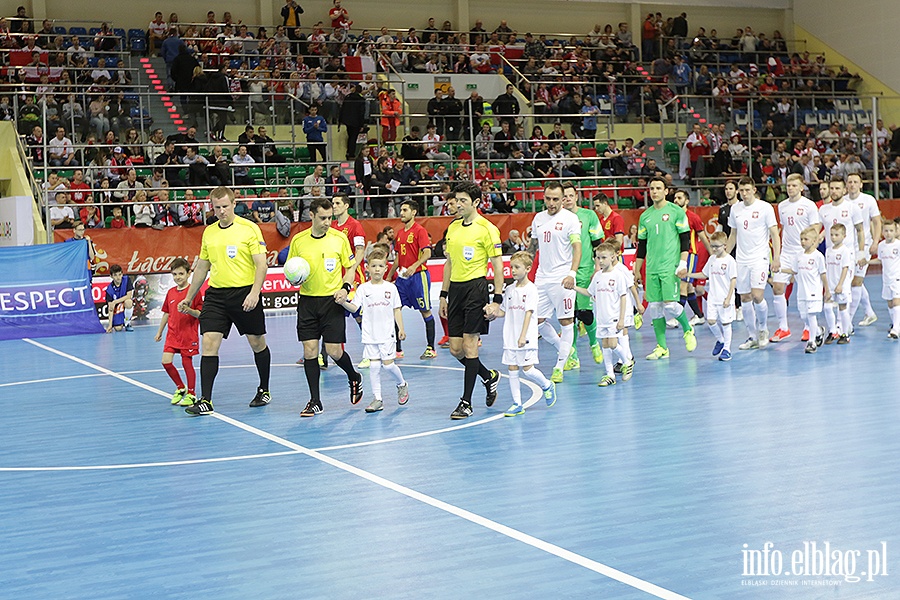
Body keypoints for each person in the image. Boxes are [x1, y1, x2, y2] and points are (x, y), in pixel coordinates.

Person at [177, 187, 272, 416]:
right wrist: (189, 297)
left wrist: (254, 293)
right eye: (217, 207)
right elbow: (202, 266)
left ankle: (264, 389)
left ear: (234, 203)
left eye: (225, 206)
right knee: (209, 343)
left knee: (257, 343)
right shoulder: (209, 232)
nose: (221, 211)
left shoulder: (249, 229)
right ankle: (206, 400)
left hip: (245, 294)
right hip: (217, 295)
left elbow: (261, 264)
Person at [287, 196, 363, 417]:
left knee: (334, 351)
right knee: (310, 351)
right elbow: (291, 269)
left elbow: (350, 267)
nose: (328, 222)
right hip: (307, 301)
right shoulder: (298, 240)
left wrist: (345, 287)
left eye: (330, 217)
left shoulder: (339, 239)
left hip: (332, 301)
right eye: (323, 218)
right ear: (311, 216)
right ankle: (315, 401)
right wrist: (293, 279)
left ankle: (353, 376)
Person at [439, 181, 503, 420]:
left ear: (476, 202)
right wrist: (444, 295)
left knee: (469, 345)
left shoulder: (487, 228)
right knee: (456, 350)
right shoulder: (453, 228)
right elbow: (449, 263)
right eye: (456, 200)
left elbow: (497, 265)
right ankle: (488, 376)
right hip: (455, 290)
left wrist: (496, 300)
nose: (458, 204)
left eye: (463, 200)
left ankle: (466, 402)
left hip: (476, 289)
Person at [633, 177, 698, 360]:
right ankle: (662, 347)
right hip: (651, 267)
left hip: (670, 266)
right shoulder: (645, 216)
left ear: (666, 191)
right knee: (654, 307)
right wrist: (637, 270)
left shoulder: (676, 212)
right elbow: (642, 246)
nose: (654, 191)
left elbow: (685, 239)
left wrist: (683, 263)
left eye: (658, 188)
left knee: (670, 304)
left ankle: (687, 329)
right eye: (652, 188)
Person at [339, 249, 408, 413]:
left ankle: (402, 384)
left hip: (387, 334)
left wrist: (402, 329)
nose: (377, 269)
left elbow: (396, 309)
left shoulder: (391, 288)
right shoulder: (363, 289)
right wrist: (343, 302)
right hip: (370, 335)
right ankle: (378, 399)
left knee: (388, 366)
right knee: (374, 367)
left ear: (386, 268)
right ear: (367, 268)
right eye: (374, 266)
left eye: (381, 266)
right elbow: (355, 307)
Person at [530, 182, 582, 383]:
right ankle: (565, 350)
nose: (551, 203)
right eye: (547, 198)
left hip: (563, 279)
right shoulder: (538, 219)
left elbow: (577, 248)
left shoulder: (571, 219)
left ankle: (559, 366)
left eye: (555, 199)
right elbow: (534, 246)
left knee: (566, 321)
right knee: (537, 321)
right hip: (542, 278)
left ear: (563, 199)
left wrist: (572, 273)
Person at [497, 251, 556, 417]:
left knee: (528, 369)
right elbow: (503, 312)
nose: (513, 271)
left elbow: (529, 313)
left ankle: (546, 385)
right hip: (510, 336)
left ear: (528, 268)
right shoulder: (509, 290)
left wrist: (523, 336)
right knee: (512, 368)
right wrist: (491, 312)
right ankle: (517, 403)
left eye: (517, 267)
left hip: (525, 337)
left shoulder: (531, 290)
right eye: (511, 267)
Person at [726, 177, 781, 350]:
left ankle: (763, 328)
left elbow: (774, 233)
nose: (744, 194)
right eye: (741, 191)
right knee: (745, 298)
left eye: (747, 190)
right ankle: (752, 336)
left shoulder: (765, 208)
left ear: (754, 190)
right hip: (741, 259)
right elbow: (733, 235)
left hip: (760, 258)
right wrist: (724, 256)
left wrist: (776, 257)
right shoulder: (735, 209)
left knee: (757, 296)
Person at [770, 173, 822, 342]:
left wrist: (809, 250)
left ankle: (808, 327)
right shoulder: (782, 206)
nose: (790, 188)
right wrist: (777, 255)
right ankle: (783, 328)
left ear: (801, 187)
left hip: (802, 252)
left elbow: (815, 227)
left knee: (804, 291)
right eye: (788, 185)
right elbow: (783, 228)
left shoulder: (809, 205)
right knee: (777, 287)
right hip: (786, 252)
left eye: (794, 185)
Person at [574, 243, 631, 387]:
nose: (600, 260)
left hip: (614, 317)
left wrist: (622, 319)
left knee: (612, 344)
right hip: (602, 317)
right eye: (598, 257)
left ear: (613, 257)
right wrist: (574, 287)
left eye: (603, 257)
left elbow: (623, 297)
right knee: (605, 345)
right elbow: (589, 292)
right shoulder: (597, 276)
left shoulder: (618, 275)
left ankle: (627, 361)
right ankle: (609, 374)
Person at [560, 183, 603, 372]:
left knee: (585, 312)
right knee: (569, 315)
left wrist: (598, 266)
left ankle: (594, 344)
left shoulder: (588, 216)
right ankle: (573, 356)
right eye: (564, 196)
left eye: (570, 195)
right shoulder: (557, 219)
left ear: (576, 196)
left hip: (585, 269)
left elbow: (597, 243)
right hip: (564, 270)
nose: (567, 199)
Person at [388, 200, 437, 359]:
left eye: (405, 210)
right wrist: (389, 276)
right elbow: (397, 258)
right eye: (400, 210)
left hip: (417, 277)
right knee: (395, 310)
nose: (401, 213)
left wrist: (414, 266)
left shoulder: (420, 231)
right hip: (402, 279)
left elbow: (427, 253)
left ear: (414, 212)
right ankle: (397, 349)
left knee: (425, 310)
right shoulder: (400, 233)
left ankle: (431, 348)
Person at [819, 178, 866, 338]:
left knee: (844, 289)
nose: (834, 191)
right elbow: (821, 229)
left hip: (848, 255)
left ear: (844, 190)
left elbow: (860, 231)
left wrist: (861, 253)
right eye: (832, 188)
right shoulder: (824, 209)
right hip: (830, 255)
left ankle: (842, 325)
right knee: (831, 290)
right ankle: (843, 326)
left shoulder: (852, 208)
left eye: (837, 188)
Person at [155, 258, 203, 407]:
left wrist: (189, 310)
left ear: (189, 273)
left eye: (181, 273)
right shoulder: (170, 293)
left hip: (188, 334)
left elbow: (201, 314)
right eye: (175, 274)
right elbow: (166, 313)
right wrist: (160, 331)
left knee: (186, 362)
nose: (178, 277)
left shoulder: (194, 292)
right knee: (166, 361)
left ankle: (192, 394)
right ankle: (180, 387)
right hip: (172, 334)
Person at [688, 231, 737, 361]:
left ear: (725, 245)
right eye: (712, 246)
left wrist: (728, 298)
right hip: (713, 298)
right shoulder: (712, 259)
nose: (714, 249)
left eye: (717, 246)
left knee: (726, 323)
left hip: (725, 298)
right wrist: (689, 275)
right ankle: (720, 340)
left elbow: (733, 280)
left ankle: (727, 349)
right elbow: (704, 274)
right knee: (711, 321)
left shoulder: (730, 261)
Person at [779, 226, 829, 353]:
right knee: (804, 316)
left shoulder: (818, 257)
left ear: (814, 241)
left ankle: (811, 342)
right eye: (801, 239)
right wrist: (780, 270)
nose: (802, 242)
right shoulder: (798, 256)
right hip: (802, 292)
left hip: (814, 292)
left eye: (806, 239)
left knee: (811, 316)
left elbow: (823, 274)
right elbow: (794, 271)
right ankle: (818, 331)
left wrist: (827, 290)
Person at [844, 172, 882, 328]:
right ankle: (869, 312)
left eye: (855, 182)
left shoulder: (868, 200)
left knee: (856, 281)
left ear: (861, 184)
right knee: (852, 279)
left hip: (863, 245)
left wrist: (875, 241)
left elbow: (877, 222)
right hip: (847, 246)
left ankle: (848, 322)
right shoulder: (843, 201)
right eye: (850, 182)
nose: (852, 184)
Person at [672, 189, 711, 326]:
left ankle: (678, 318)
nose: (676, 200)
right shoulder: (672, 216)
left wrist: (711, 254)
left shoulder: (693, 218)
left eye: (679, 197)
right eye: (675, 198)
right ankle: (699, 315)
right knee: (688, 287)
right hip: (676, 255)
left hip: (690, 254)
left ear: (687, 201)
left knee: (682, 285)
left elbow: (703, 238)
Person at [823, 223, 854, 344]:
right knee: (827, 306)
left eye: (837, 235)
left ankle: (845, 334)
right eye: (831, 235)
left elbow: (845, 268)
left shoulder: (845, 251)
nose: (833, 237)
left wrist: (840, 284)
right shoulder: (828, 250)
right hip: (830, 284)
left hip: (842, 285)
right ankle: (832, 331)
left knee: (842, 308)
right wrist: (826, 286)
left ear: (844, 236)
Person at [874, 219, 900, 338]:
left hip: (897, 278)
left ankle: (896, 328)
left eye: (891, 231)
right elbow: (880, 260)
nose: (888, 233)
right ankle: (895, 323)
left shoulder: (898, 245)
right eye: (886, 231)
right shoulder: (881, 245)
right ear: (882, 232)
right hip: (886, 278)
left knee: (896, 301)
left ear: (895, 232)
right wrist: (867, 262)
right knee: (890, 303)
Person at [105, 264, 134, 332]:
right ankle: (120, 321)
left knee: (129, 302)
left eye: (119, 274)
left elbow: (129, 296)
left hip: (124, 304)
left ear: (122, 274)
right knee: (118, 329)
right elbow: (111, 308)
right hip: (117, 308)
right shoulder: (109, 290)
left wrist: (115, 301)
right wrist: (110, 325)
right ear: (111, 276)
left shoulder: (127, 280)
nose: (118, 277)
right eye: (115, 275)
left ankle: (127, 323)